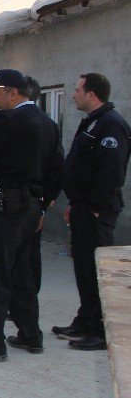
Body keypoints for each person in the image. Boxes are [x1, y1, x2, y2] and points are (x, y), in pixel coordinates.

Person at [0, 69, 64, 361]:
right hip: (30, 207)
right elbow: (57, 170)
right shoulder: (47, 123)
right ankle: (31, 334)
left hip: (5, 206)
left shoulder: (11, 119)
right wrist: (42, 205)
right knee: (23, 273)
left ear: (14, 93)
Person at [55, 73, 131, 351]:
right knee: (84, 268)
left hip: (96, 209)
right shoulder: (93, 122)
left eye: (77, 90)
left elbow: (111, 171)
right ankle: (86, 320)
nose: (73, 94)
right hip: (83, 207)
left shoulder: (112, 125)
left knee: (97, 270)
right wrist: (74, 204)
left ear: (91, 94)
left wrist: (97, 207)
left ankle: (101, 331)